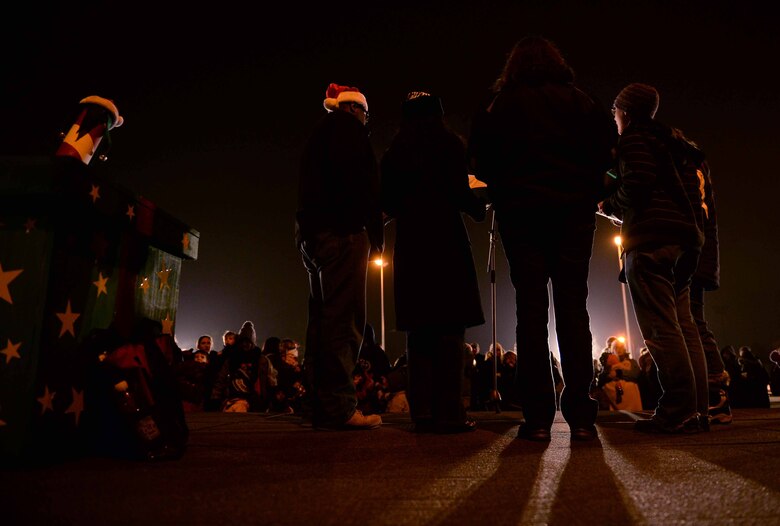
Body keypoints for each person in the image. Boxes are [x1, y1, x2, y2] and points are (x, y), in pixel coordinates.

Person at [468, 36, 616, 441]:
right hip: (573, 214)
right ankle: (582, 415)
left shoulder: (500, 104)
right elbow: (609, 154)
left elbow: (478, 158)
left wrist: (501, 191)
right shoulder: (581, 101)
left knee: (529, 312)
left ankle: (536, 416)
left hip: (522, 215)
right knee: (573, 308)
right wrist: (594, 190)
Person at [600, 82, 707, 434]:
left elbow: (639, 182)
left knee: (661, 329)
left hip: (650, 241)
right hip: (684, 241)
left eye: (616, 113)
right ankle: (697, 409)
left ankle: (676, 409)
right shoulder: (674, 143)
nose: (615, 119)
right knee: (684, 326)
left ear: (625, 113)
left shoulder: (634, 139)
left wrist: (608, 204)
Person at [381, 90, 486, 433]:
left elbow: (389, 202)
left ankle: (422, 411)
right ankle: (450, 413)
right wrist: (477, 207)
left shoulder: (396, 151)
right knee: (450, 331)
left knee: (419, 331)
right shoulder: (450, 145)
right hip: (446, 244)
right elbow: (460, 191)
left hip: (412, 246)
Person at [295, 82, 384, 430]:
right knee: (344, 321)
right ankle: (340, 407)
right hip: (342, 233)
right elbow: (358, 184)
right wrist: (366, 221)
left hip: (314, 234)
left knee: (320, 320)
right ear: (353, 108)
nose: (366, 119)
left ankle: (318, 403)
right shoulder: (348, 131)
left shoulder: (318, 135)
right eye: (364, 112)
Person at [683, 130, 732, 425]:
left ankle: (715, 392)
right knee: (694, 321)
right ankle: (713, 392)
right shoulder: (699, 169)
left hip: (694, 253)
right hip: (701, 253)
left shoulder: (689, 170)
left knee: (693, 322)